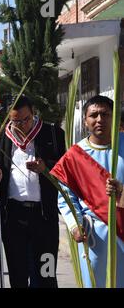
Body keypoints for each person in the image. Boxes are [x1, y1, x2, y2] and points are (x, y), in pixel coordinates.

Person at [0, 96, 65, 288]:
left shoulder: (53, 133)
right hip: (13, 217)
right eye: (15, 121)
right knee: (18, 273)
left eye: (25, 120)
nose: (20, 125)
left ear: (33, 113)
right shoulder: (0, 137)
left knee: (46, 271)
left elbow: (66, 168)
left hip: (44, 216)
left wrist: (46, 167)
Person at [52, 95, 124, 287]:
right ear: (85, 121)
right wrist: (75, 225)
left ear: (115, 117)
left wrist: (122, 193)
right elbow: (66, 197)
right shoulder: (75, 156)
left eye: (105, 114)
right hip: (94, 237)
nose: (100, 119)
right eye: (94, 115)